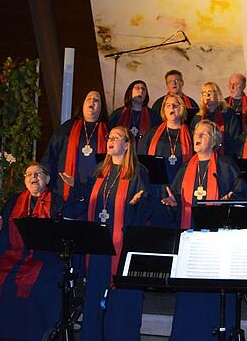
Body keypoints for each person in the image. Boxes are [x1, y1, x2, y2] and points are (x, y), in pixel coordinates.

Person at [161, 120, 247, 341]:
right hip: (190, 241)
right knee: (190, 293)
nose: (198, 137)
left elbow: (241, 194)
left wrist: (230, 200)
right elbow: (177, 201)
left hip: (217, 244)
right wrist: (173, 204)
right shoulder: (185, 167)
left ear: (215, 140)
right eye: (196, 133)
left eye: (204, 134)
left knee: (214, 293)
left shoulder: (226, 166)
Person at [68, 126, 152, 341]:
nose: (110, 140)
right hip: (97, 247)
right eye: (109, 137)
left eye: (116, 137)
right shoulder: (99, 171)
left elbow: (145, 206)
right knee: (95, 296)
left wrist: (136, 204)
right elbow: (86, 202)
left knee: (120, 299)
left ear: (127, 144)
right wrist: (74, 188)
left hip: (121, 248)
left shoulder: (137, 172)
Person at [0, 163, 65, 341]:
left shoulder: (56, 201)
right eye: (29, 174)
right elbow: (4, 231)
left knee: (38, 285)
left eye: (38, 174)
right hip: (15, 254)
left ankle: (34, 333)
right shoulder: (15, 201)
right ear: (24, 180)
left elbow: (61, 234)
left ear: (47, 179)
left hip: (44, 256)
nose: (33, 177)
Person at [41, 90, 108, 201]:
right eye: (89, 98)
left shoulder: (109, 131)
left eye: (96, 100)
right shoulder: (67, 127)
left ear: (101, 108)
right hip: (65, 190)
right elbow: (50, 156)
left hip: (96, 190)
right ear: (83, 104)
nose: (92, 101)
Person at [141, 94, 193, 228]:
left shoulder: (192, 135)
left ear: (181, 109)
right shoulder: (152, 134)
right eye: (168, 105)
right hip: (156, 189)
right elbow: (141, 160)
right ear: (163, 109)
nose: (172, 108)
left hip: (181, 189)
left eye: (175, 105)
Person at [190, 82, 242, 156]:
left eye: (210, 92)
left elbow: (234, 137)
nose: (207, 95)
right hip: (204, 156)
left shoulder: (229, 114)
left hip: (226, 155)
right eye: (204, 93)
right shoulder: (198, 117)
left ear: (217, 95)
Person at [108, 80, 159, 151]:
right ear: (130, 91)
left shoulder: (153, 116)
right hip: (122, 154)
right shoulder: (119, 113)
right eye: (137, 88)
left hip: (143, 155)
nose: (141, 90)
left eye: (143, 89)